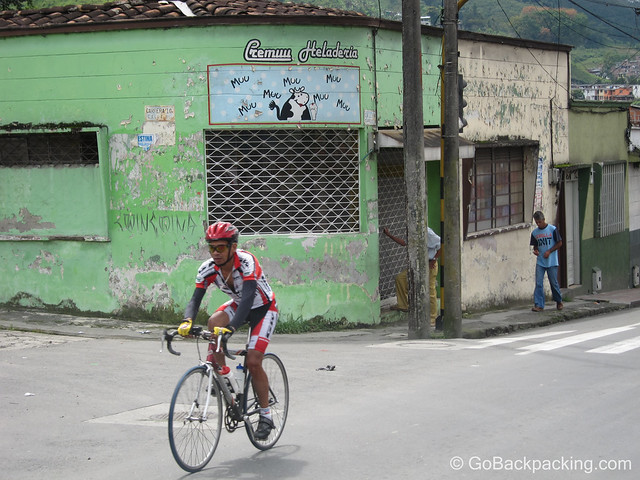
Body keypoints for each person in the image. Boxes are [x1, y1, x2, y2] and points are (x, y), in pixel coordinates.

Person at [178, 221, 278, 440]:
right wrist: (187, 321)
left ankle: (266, 415)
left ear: (233, 247)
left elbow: (249, 297)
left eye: (221, 247)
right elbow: (196, 299)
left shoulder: (247, 261)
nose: (215, 253)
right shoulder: (207, 269)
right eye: (211, 248)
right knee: (214, 322)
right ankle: (223, 373)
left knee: (253, 361)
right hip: (238, 304)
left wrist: (231, 328)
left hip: (263, 308)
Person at [382, 226, 441, 327]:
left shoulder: (427, 232)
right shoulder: (412, 230)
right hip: (417, 265)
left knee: (430, 290)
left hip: (429, 264)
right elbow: (404, 243)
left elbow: (442, 244)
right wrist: (389, 235)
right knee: (400, 279)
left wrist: (434, 259)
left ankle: (433, 318)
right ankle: (403, 305)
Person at [529, 211, 563, 312]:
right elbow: (535, 246)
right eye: (536, 222)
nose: (538, 224)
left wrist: (549, 251)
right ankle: (539, 304)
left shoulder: (552, 229)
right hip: (540, 262)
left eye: (540, 222)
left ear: (544, 220)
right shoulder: (535, 233)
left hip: (552, 261)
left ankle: (559, 301)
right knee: (539, 283)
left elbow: (559, 243)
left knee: (553, 283)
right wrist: (535, 251)